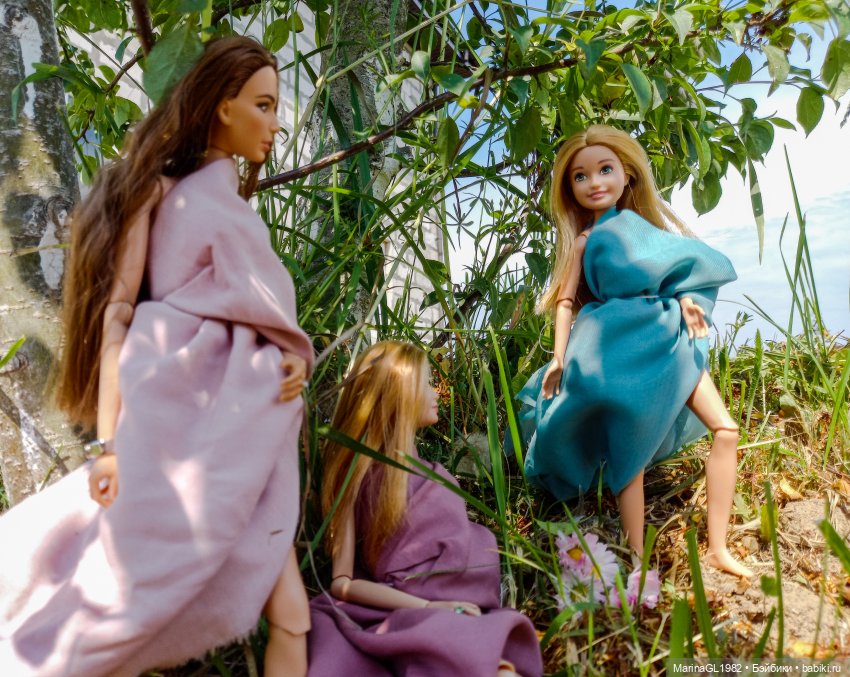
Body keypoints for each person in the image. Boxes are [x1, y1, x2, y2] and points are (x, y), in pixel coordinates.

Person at [0, 36, 314, 676]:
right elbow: (118, 316)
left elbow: (261, 309)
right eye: (263, 105)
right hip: (183, 419)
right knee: (130, 595)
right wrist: (109, 446)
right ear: (223, 106)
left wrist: (291, 359)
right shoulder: (163, 194)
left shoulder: (228, 205)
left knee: (287, 608)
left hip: (249, 427)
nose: (274, 124)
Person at [516, 125, 752, 578]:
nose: (594, 182)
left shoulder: (645, 230)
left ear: (627, 174)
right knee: (631, 458)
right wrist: (559, 357)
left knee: (726, 429)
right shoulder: (585, 241)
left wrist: (688, 303)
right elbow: (565, 301)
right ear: (569, 188)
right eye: (580, 176)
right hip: (615, 346)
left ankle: (719, 548)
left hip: (668, 334)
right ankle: (637, 562)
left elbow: (680, 275)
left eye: (605, 170)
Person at [307, 341, 543, 677]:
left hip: (468, 597)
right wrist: (428, 605)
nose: (436, 393)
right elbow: (342, 583)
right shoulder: (358, 476)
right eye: (427, 383)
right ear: (400, 393)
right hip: (417, 604)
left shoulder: (432, 471)